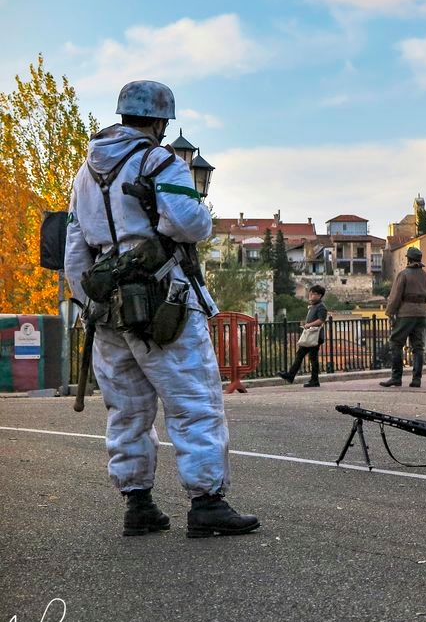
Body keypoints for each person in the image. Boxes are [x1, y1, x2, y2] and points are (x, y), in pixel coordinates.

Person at [63, 79, 259, 538]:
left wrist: (87, 299)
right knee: (193, 401)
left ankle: (139, 505)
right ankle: (207, 503)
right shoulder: (160, 160)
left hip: (107, 307)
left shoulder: (83, 174)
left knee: (126, 409)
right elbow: (188, 223)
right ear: (159, 121)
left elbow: (75, 249)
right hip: (163, 302)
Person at [379, 247, 426, 387]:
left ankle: (396, 377)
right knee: (418, 347)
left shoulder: (403, 274)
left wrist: (390, 312)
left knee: (396, 343)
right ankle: (416, 379)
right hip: (421, 313)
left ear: (408, 259)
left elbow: (395, 296)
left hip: (405, 313)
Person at [280, 285, 328, 387]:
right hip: (310, 335)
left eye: (314, 293)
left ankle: (311, 379)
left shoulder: (321, 307)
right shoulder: (313, 306)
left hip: (315, 336)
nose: (311, 295)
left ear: (319, 296)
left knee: (310, 357)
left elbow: (321, 320)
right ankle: (293, 376)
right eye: (310, 293)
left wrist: (308, 325)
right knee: (302, 355)